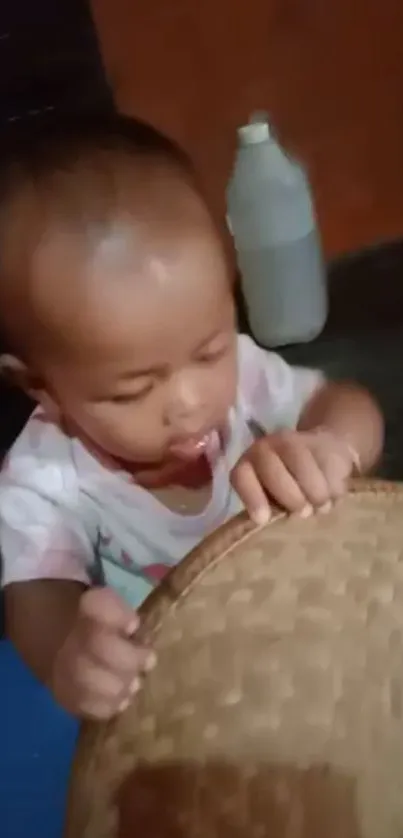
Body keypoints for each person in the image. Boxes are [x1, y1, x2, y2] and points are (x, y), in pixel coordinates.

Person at [0, 113, 383, 720]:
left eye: (211, 349)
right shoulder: (46, 479)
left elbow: (349, 403)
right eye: (131, 391)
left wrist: (330, 443)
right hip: (190, 689)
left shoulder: (246, 378)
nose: (188, 400)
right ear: (40, 388)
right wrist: (66, 654)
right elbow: (32, 595)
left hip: (308, 626)